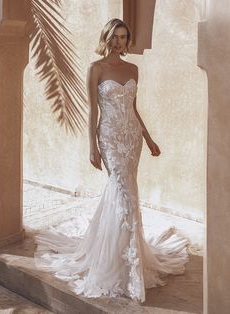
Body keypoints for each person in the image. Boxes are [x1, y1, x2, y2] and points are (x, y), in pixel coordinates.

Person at [34, 18, 190, 303]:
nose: (119, 42)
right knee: (122, 192)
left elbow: (133, 108)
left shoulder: (133, 69)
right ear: (106, 38)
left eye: (124, 37)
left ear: (127, 40)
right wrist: (92, 146)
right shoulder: (96, 69)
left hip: (131, 137)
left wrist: (148, 137)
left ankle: (127, 258)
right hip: (109, 138)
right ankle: (117, 265)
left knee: (128, 193)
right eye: (115, 37)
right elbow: (93, 112)